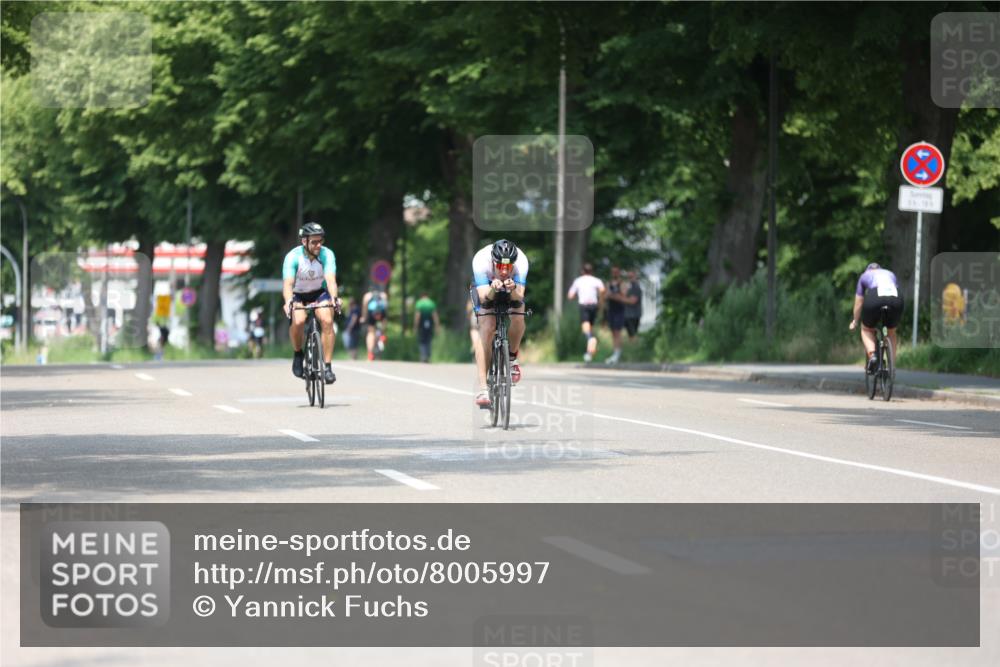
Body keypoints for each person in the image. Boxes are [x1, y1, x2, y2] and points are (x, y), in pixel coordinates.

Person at [471, 239, 528, 408]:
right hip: (486, 289)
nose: (504, 271)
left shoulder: (521, 263)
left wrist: (512, 290)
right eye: (500, 267)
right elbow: (483, 297)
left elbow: (520, 296)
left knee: (518, 315)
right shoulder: (481, 261)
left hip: (511, 289)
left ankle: (511, 358)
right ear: (493, 262)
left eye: (508, 267)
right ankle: (483, 388)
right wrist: (493, 289)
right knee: (487, 327)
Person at [282, 222, 339, 384]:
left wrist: (334, 298)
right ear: (304, 242)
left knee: (328, 320)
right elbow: (287, 284)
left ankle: (327, 367)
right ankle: (298, 353)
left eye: (320, 241)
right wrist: (288, 302)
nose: (318, 245)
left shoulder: (327, 255)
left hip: (319, 293)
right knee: (298, 321)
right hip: (298, 295)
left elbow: (330, 280)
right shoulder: (293, 257)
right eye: (314, 242)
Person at [849, 262, 904, 374]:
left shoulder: (865, 275)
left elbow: (859, 301)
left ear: (868, 270)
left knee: (866, 329)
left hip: (875, 296)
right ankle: (891, 366)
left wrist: (855, 321)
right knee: (891, 333)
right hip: (895, 298)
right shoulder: (890, 274)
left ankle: (872, 355)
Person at [567, 263, 605, 362]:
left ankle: (591, 339)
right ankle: (589, 353)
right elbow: (602, 289)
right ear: (592, 271)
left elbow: (570, 295)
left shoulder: (578, 281)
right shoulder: (596, 280)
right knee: (590, 327)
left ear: (582, 271)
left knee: (585, 328)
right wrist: (600, 300)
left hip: (584, 306)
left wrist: (577, 295)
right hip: (594, 305)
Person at [604, 266, 632, 364]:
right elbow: (605, 295)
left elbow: (623, 296)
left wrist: (613, 296)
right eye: (613, 272)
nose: (614, 274)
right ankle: (615, 352)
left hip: (619, 310)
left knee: (618, 332)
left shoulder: (622, 283)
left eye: (616, 272)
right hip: (611, 310)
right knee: (613, 332)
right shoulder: (609, 283)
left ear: (618, 273)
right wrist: (610, 296)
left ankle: (618, 353)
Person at [362, 285, 389, 361]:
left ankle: (370, 354)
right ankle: (382, 336)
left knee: (371, 333)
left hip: (372, 314)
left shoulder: (367, 296)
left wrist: (364, 317)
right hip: (381, 313)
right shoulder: (383, 295)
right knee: (382, 330)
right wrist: (385, 318)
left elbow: (365, 307)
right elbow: (386, 307)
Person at [413, 292, 441, 363]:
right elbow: (435, 316)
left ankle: (423, 356)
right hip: (430, 324)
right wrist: (437, 326)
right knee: (429, 340)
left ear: (422, 296)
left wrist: (415, 326)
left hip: (421, 324)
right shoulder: (431, 303)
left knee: (422, 340)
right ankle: (428, 356)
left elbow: (417, 315)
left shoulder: (419, 303)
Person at [623, 269, 643, 340]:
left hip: (633, 315)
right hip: (628, 314)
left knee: (633, 334)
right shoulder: (628, 286)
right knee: (631, 335)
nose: (629, 278)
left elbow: (633, 301)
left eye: (631, 277)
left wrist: (617, 297)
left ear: (635, 276)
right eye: (628, 277)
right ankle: (633, 347)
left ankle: (634, 348)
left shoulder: (636, 287)